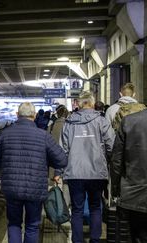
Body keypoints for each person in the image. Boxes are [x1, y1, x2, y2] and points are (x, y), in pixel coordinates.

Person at [0, 102, 67, 243]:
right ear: (34, 115)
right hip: (35, 188)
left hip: (12, 188)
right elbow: (62, 160)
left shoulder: (5, 134)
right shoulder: (43, 135)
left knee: (14, 224)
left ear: (17, 115)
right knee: (32, 226)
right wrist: (45, 162)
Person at [56, 91, 115, 243]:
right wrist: (105, 162)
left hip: (74, 173)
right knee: (96, 207)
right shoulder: (102, 122)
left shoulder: (69, 123)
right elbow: (111, 146)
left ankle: (77, 241)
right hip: (97, 173)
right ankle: (95, 240)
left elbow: (62, 150)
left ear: (79, 104)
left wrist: (58, 171)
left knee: (77, 210)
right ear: (93, 103)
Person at [111, 110, 147, 243]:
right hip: (135, 193)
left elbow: (117, 160)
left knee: (138, 235)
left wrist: (115, 189)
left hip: (135, 193)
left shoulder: (129, 121)